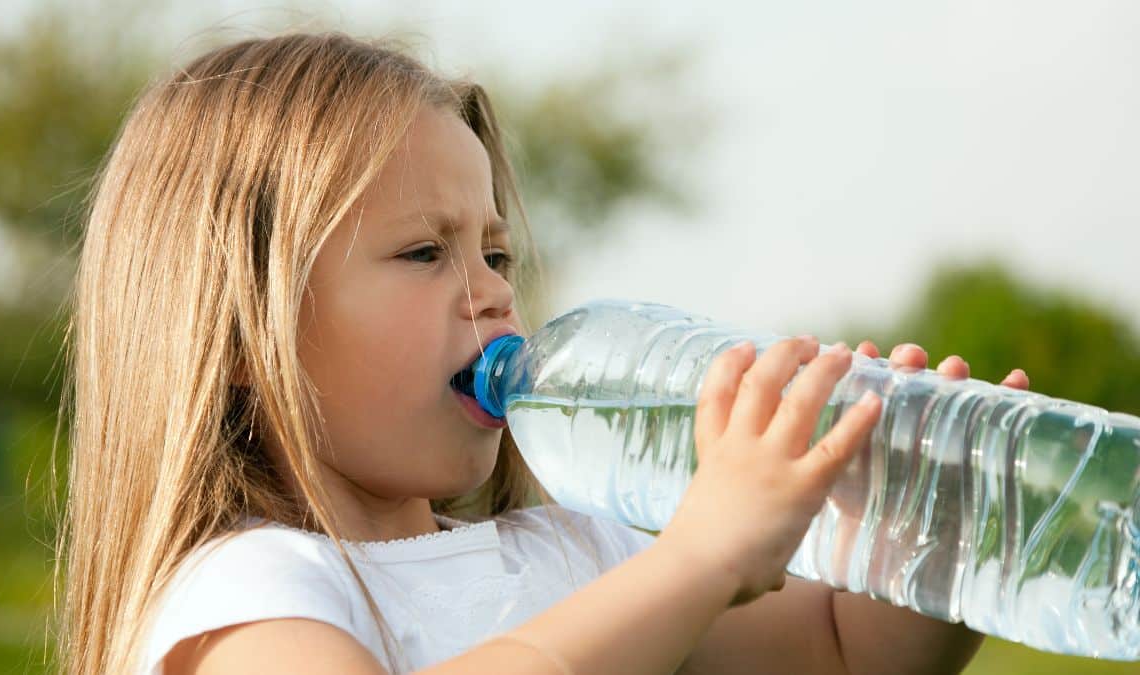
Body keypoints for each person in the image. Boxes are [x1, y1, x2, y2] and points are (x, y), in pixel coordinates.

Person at [51, 30, 1032, 675]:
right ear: (239, 330)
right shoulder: (246, 599)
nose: (490, 290)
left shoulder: (574, 553)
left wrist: (933, 535)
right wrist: (697, 558)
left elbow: (838, 655)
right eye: (425, 252)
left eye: (496, 251)